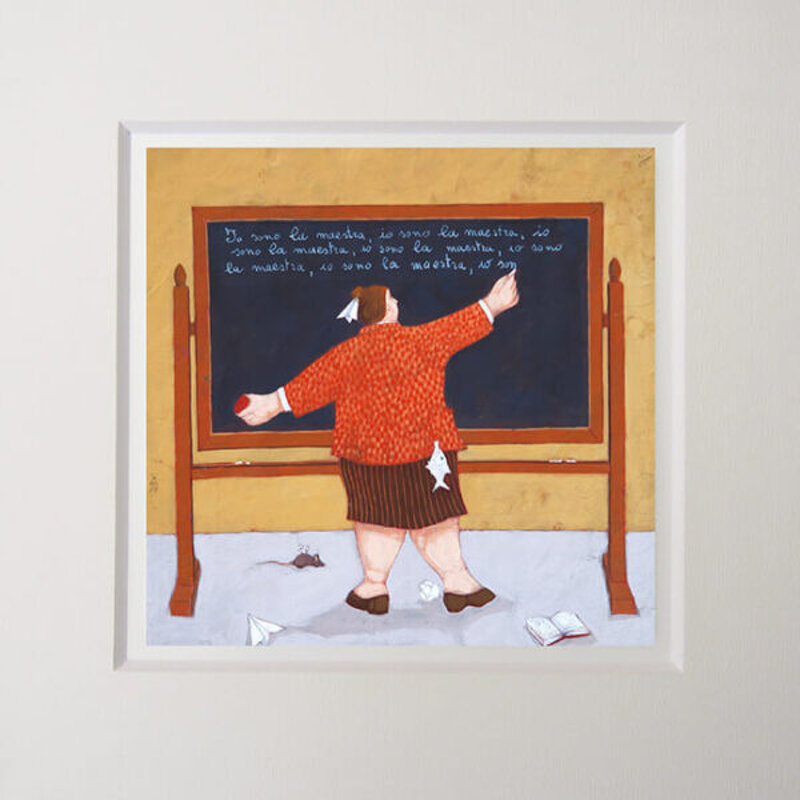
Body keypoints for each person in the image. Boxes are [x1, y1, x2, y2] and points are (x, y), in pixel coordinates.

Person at [237, 272, 519, 615]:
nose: (398, 302)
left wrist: (272, 403)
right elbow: (458, 327)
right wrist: (492, 304)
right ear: (387, 309)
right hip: (427, 452)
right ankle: (457, 580)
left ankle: (374, 585)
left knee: (376, 520)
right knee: (436, 519)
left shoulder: (347, 353)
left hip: (366, 455)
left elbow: (311, 384)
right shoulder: (422, 340)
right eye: (392, 299)